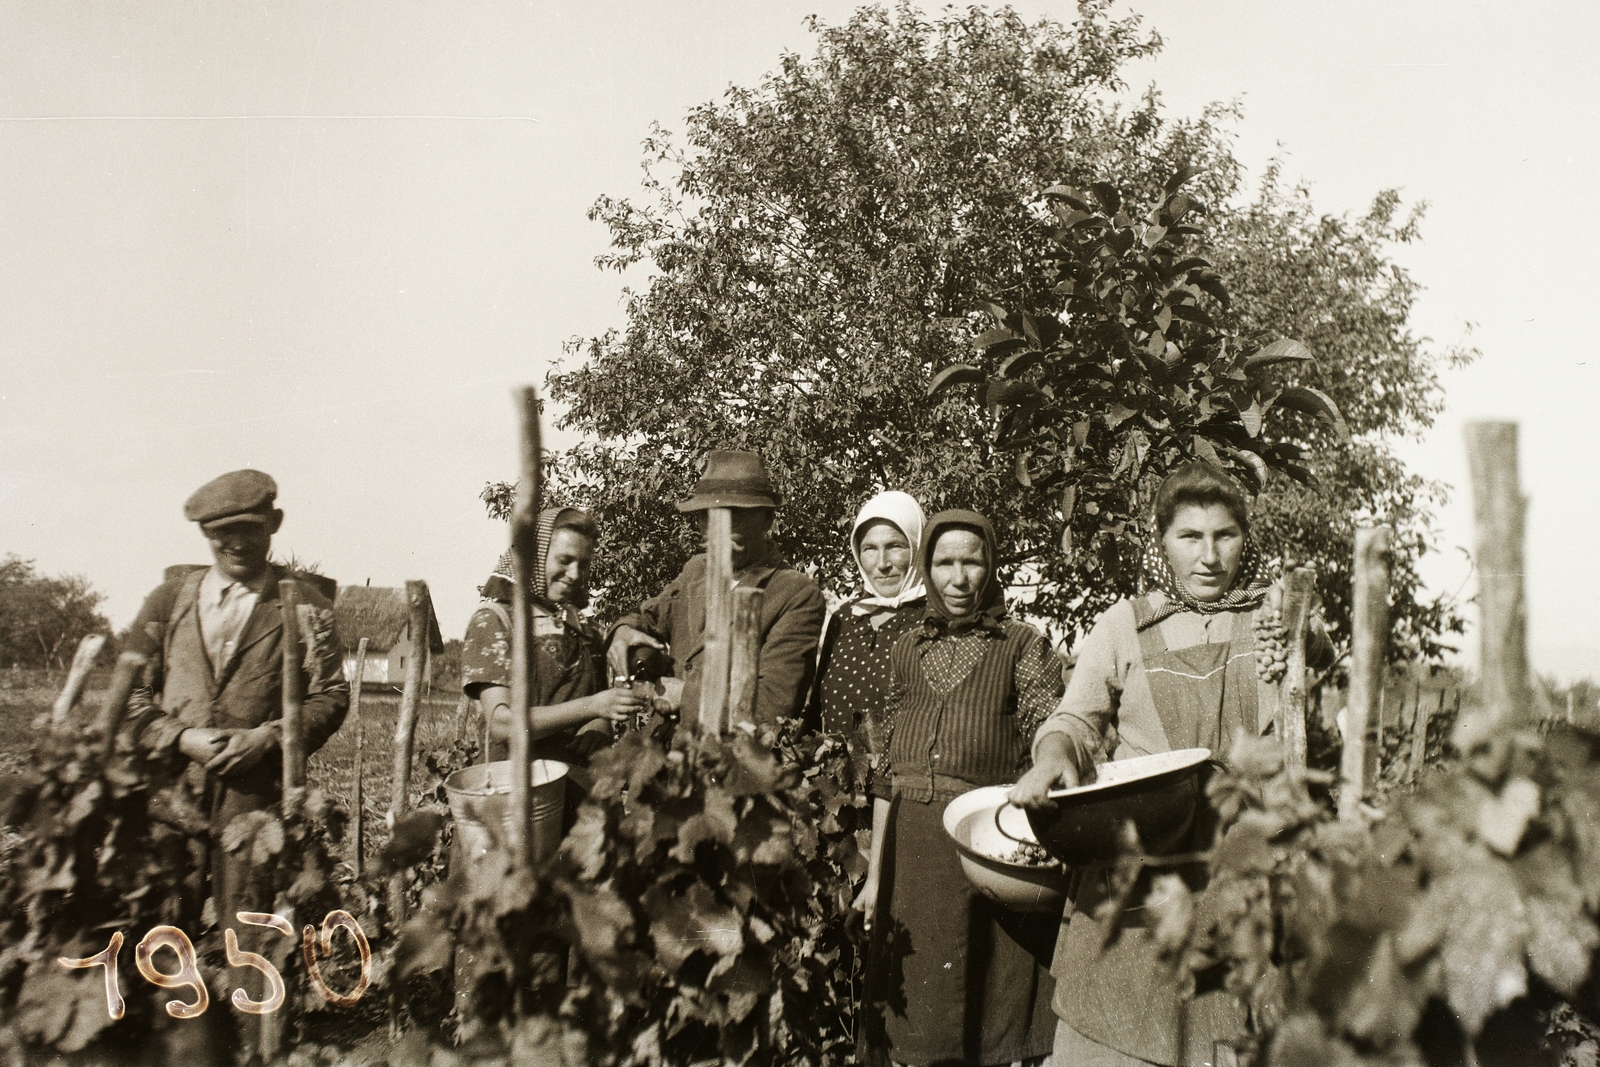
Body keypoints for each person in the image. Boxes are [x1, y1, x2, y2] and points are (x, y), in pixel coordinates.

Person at [1010, 461, 1333, 1067]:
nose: (1209, 556)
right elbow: (1077, 718)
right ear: (1162, 543)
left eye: (1225, 536)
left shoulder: (1270, 616)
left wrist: (1300, 634)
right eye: (1190, 537)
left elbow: (1316, 658)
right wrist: (1054, 755)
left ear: (1245, 541)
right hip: (1142, 875)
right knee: (1115, 1038)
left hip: (1242, 868)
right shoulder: (1125, 625)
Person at [122, 469, 348, 1057]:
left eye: (251, 530)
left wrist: (271, 737)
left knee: (250, 931)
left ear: (273, 526)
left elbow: (331, 696)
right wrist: (180, 738)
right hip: (171, 794)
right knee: (161, 925)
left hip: (255, 802)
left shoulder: (306, 605)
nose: (238, 544)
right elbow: (131, 696)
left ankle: (253, 1050)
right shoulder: (168, 599)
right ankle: (168, 1050)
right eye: (223, 534)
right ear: (205, 535)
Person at [861, 509, 1064, 1067]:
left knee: (982, 1022)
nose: (958, 577)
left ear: (991, 566)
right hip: (912, 849)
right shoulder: (905, 649)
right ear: (926, 569)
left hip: (981, 848)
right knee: (911, 1024)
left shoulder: (1021, 645)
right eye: (944, 562)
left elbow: (1050, 725)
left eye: (972, 561)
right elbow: (885, 775)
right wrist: (877, 877)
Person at [607, 450, 825, 727]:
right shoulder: (696, 569)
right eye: (706, 517)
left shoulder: (795, 593)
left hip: (729, 759)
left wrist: (686, 696)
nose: (716, 530)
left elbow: (772, 706)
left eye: (734, 516)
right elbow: (647, 616)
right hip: (664, 750)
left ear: (767, 520)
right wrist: (623, 631)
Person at [460, 506, 645, 779]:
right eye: (564, 560)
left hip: (579, 791)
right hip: (518, 790)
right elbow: (501, 724)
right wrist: (592, 707)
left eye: (583, 564)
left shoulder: (583, 627)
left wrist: (598, 725)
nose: (574, 574)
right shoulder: (496, 621)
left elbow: (597, 706)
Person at [809, 490, 928, 747]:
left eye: (895, 546)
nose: (882, 563)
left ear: (919, 547)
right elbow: (815, 710)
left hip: (905, 783)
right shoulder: (846, 617)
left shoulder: (935, 620)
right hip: (837, 780)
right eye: (870, 549)